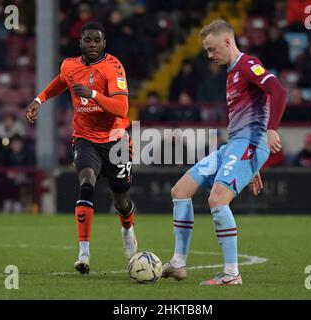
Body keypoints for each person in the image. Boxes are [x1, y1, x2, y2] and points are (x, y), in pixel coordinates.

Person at [162, 19, 287, 286]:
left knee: (217, 200)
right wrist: (250, 168)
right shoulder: (231, 73)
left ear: (228, 42)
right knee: (180, 191)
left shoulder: (247, 65)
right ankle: (178, 263)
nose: (209, 55)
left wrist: (272, 130)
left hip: (249, 144)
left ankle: (231, 273)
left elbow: (278, 90)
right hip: (234, 147)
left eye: (212, 49)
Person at [25, 22, 137, 276]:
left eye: (97, 40)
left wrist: (93, 94)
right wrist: (39, 100)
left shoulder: (113, 67)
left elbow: (122, 109)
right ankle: (83, 252)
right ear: (81, 43)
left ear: (104, 43)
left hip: (115, 138)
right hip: (85, 137)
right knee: (86, 181)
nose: (93, 45)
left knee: (120, 197)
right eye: (88, 40)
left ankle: (127, 230)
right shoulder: (70, 65)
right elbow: (61, 81)